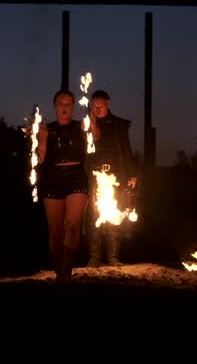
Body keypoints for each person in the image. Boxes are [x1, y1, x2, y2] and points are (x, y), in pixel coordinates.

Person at [36, 89, 91, 284]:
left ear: (73, 106)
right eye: (61, 103)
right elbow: (41, 150)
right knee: (56, 231)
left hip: (77, 177)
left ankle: (67, 270)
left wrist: (92, 118)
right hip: (53, 178)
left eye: (68, 104)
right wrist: (40, 151)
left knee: (73, 225)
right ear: (55, 106)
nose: (65, 107)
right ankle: (59, 270)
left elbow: (97, 139)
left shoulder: (82, 126)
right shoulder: (46, 129)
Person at [84, 89, 137, 267]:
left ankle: (113, 257)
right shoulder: (87, 126)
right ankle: (94, 258)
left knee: (115, 214)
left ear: (108, 104)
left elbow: (126, 149)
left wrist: (132, 173)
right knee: (94, 216)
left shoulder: (119, 125)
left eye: (100, 105)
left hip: (116, 176)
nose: (97, 109)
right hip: (94, 177)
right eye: (94, 106)